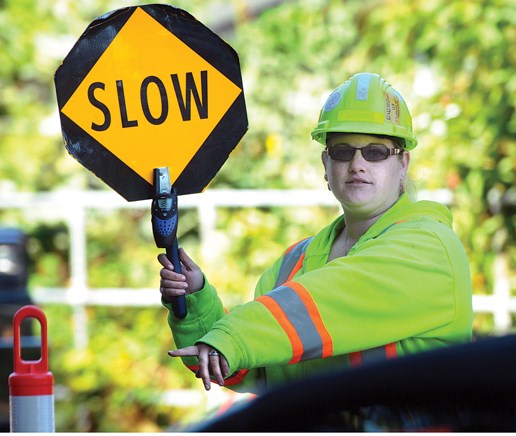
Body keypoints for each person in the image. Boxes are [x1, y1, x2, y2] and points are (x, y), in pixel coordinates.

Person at [158, 72, 473, 394]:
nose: (357, 164)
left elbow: (322, 304)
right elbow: (247, 368)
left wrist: (231, 338)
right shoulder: (294, 261)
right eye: (342, 151)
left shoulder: (429, 248)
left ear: (403, 163)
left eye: (376, 151)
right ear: (326, 163)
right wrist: (196, 302)